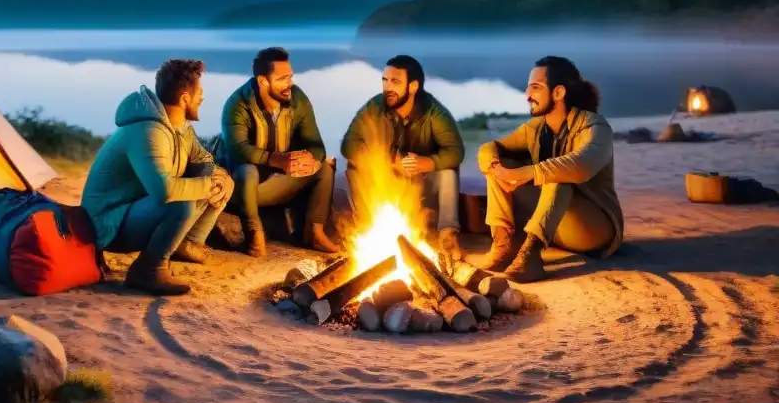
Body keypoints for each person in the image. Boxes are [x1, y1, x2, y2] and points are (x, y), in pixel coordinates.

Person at [80, 59, 234, 296]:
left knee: (221, 182)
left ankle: (186, 244)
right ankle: (149, 269)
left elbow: (204, 161)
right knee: (179, 203)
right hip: (109, 223)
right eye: (200, 94)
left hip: (136, 212)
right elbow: (165, 191)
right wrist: (207, 186)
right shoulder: (149, 131)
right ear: (184, 98)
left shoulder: (181, 129)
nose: (202, 99)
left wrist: (219, 178)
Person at [474, 56, 624, 283]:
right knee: (501, 164)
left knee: (557, 176)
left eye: (535, 88)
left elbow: (581, 165)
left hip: (594, 230)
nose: (528, 96)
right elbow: (491, 146)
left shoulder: (594, 126)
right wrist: (495, 167)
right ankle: (502, 246)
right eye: (527, 89)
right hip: (555, 226)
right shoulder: (535, 128)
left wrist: (529, 172)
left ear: (558, 93)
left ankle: (530, 256)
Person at [340, 55, 466, 270]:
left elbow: (456, 151)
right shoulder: (374, 107)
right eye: (385, 80)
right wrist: (388, 161)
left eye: (395, 82)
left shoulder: (434, 112)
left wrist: (427, 162)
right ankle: (369, 227)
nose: (388, 87)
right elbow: (348, 146)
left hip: (420, 185)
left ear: (413, 86)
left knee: (448, 172)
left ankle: (448, 235)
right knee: (354, 167)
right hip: (385, 182)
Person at [218, 47, 339, 258]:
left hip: (279, 182)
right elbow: (238, 150)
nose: (289, 84)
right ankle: (254, 232)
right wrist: (276, 160)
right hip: (245, 189)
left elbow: (316, 145)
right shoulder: (237, 104)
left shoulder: (297, 99)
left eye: (290, 77)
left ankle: (314, 232)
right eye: (282, 79)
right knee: (247, 170)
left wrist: (310, 159)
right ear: (263, 81)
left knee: (324, 168)